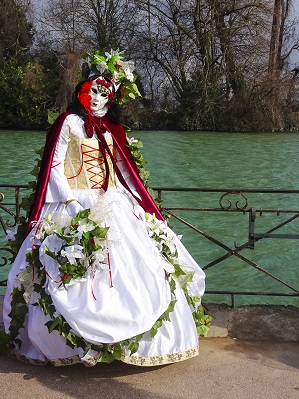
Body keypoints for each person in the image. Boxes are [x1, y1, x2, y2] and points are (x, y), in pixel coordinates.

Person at [2, 49, 207, 367]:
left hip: (112, 201)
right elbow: (54, 167)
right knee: (66, 268)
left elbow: (123, 171)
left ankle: (131, 342)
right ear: (83, 91)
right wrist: (70, 201)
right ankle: (69, 345)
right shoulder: (68, 123)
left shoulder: (111, 130)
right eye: (94, 91)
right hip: (71, 200)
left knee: (140, 265)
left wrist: (139, 202)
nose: (98, 99)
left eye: (105, 95)